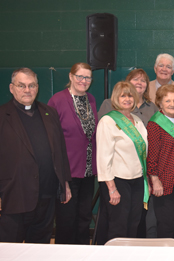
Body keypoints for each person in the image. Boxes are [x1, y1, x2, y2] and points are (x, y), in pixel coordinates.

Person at [0, 68, 72, 243]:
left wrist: (65, 183)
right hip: (15, 196)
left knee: (40, 246)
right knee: (11, 248)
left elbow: (60, 150)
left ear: (37, 87)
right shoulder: (2, 115)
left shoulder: (49, 113)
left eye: (31, 85)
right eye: (21, 85)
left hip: (46, 195)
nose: (27, 90)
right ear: (11, 88)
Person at [48, 62, 98, 244]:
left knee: (84, 218)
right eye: (80, 76)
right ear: (71, 77)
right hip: (67, 171)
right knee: (66, 220)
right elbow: (52, 138)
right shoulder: (57, 100)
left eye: (88, 77)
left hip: (87, 172)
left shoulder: (91, 99)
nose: (84, 81)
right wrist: (61, 176)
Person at [96, 81, 149, 242]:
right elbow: (103, 157)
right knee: (118, 226)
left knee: (134, 223)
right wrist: (111, 188)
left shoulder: (138, 121)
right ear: (115, 98)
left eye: (130, 95)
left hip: (137, 180)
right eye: (123, 95)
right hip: (118, 181)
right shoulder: (108, 121)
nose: (127, 99)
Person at [146, 84, 174, 239]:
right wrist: (154, 180)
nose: (172, 104)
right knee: (166, 224)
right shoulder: (155, 123)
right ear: (160, 103)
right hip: (164, 181)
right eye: (167, 100)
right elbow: (152, 155)